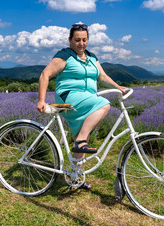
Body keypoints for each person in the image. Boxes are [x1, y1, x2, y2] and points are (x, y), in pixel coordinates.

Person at [37, 23, 127, 189]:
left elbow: (103, 76)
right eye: (77, 40)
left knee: (83, 135)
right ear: (70, 40)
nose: (81, 43)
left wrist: (119, 87)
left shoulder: (92, 57)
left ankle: (75, 176)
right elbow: (45, 74)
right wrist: (41, 100)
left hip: (86, 98)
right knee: (104, 105)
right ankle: (79, 141)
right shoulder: (65, 56)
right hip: (69, 97)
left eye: (84, 40)